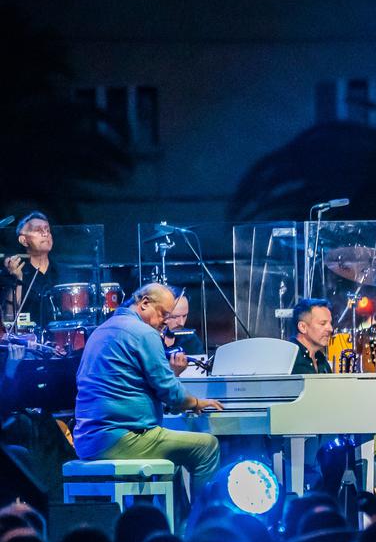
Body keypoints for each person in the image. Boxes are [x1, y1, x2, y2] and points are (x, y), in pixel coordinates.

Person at [73, 283, 224, 495]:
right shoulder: (144, 333)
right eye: (163, 314)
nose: (166, 321)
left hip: (87, 439)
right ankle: (203, 524)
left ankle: (174, 522)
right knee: (207, 446)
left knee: (174, 455)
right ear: (144, 303)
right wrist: (197, 403)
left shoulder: (101, 330)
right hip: (120, 438)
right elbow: (170, 392)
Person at [2, 212, 63, 326]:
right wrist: (17, 279)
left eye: (47, 230)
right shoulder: (14, 270)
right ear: (24, 241)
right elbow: (9, 317)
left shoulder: (62, 271)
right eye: (38, 230)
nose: (45, 234)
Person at [291, 299, 334, 375]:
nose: (330, 329)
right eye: (323, 323)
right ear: (303, 327)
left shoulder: (321, 359)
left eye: (330, 323)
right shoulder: (289, 357)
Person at [161, 291, 206, 358]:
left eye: (184, 316)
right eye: (174, 317)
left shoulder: (190, 339)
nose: (181, 323)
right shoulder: (148, 338)